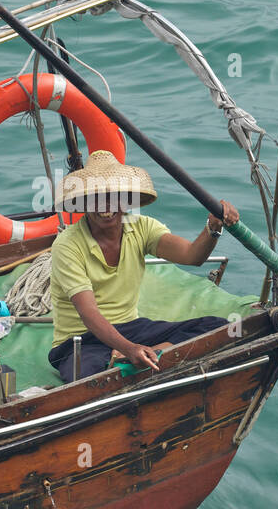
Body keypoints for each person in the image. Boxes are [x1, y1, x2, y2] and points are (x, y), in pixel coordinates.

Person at [47, 150, 239, 382]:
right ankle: (140, 357)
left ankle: (146, 356)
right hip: (82, 340)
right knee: (88, 378)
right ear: (85, 202)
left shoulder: (142, 227)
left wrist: (213, 226)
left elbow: (192, 256)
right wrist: (130, 348)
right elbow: (89, 315)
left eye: (113, 196)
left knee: (219, 328)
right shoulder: (67, 245)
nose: (105, 206)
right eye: (96, 197)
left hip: (132, 329)